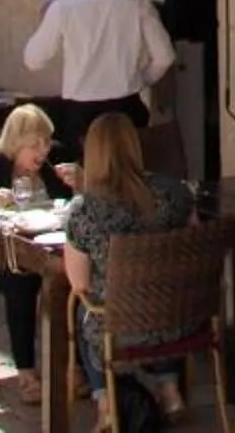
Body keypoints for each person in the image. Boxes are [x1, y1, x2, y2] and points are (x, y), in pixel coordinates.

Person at [64, 110, 197, 420]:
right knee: (161, 294)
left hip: (118, 329)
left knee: (83, 307)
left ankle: (105, 400)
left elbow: (79, 284)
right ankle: (169, 388)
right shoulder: (175, 193)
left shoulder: (85, 211)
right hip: (181, 321)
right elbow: (192, 244)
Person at [0, 103, 75, 405]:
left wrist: (79, 183)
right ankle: (26, 371)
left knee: (76, 277)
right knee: (19, 281)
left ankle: (74, 366)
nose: (43, 151)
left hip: (46, 250)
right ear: (16, 142)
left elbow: (70, 205)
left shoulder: (48, 168)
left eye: (46, 142)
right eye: (35, 144)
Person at [26, 0, 175, 153]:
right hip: (126, 108)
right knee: (129, 174)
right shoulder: (137, 2)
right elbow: (165, 56)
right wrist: (140, 79)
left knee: (84, 181)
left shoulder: (63, 7)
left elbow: (33, 60)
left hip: (82, 115)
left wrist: (45, 21)